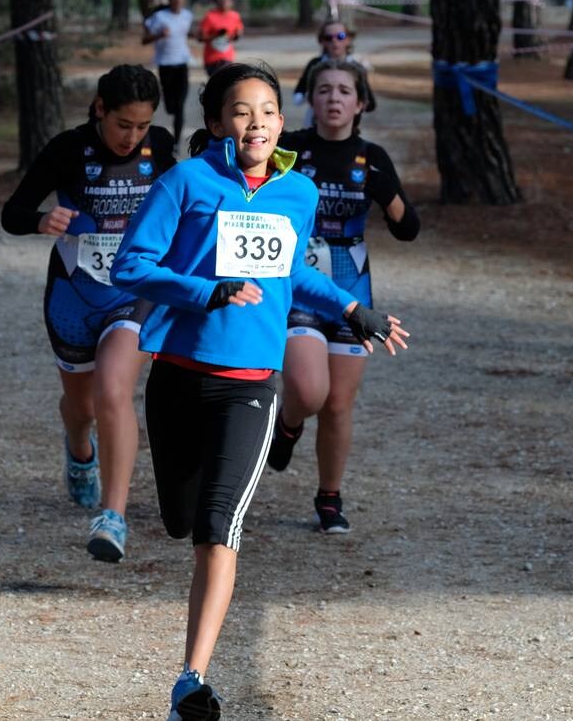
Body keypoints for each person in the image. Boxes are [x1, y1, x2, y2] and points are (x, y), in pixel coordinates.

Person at [110, 62, 409, 719]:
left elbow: (291, 275)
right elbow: (130, 266)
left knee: (220, 530)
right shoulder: (184, 182)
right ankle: (189, 636)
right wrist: (203, 290)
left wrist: (351, 309)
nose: (257, 124)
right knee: (182, 520)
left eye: (268, 111)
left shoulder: (296, 192)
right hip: (179, 379)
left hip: (250, 388)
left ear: (281, 119)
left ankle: (189, 680)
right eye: (242, 111)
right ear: (218, 121)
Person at [0, 64, 175, 563]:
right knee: (82, 410)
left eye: (142, 126)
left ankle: (113, 516)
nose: (132, 137)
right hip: (74, 297)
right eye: (124, 124)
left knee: (114, 390)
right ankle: (79, 449)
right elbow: (12, 213)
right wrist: (41, 220)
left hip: (134, 294)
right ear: (100, 108)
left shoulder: (159, 148)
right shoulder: (66, 149)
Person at [269, 58, 420, 534]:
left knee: (338, 403)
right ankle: (289, 423)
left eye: (344, 91)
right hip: (300, 284)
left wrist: (385, 191)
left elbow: (408, 228)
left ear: (361, 103)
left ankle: (329, 497)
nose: (334, 98)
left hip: (353, 285)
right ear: (310, 100)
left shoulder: (372, 158)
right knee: (310, 390)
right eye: (324, 90)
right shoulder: (289, 149)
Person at [292, 20, 376, 126]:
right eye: (328, 38)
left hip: (347, 129)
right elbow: (298, 96)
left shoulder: (357, 68)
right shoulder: (315, 64)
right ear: (322, 41)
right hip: (315, 125)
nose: (335, 41)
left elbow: (370, 104)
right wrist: (312, 95)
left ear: (349, 39)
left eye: (340, 36)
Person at [142, 0, 195, 150]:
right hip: (165, 65)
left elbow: (186, 32)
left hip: (182, 65)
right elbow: (144, 40)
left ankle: (177, 142)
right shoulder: (159, 17)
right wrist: (159, 34)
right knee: (170, 107)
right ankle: (169, 105)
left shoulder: (187, 16)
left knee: (179, 107)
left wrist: (199, 35)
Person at [197, 0, 244, 77]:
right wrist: (216, 35)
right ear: (216, 0)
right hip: (212, 60)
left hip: (227, 58)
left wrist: (237, 35)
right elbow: (200, 38)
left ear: (232, 1)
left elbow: (236, 35)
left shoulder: (235, 16)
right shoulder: (210, 16)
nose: (224, 1)